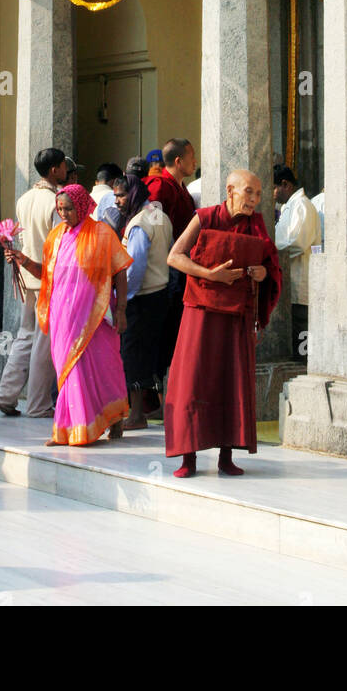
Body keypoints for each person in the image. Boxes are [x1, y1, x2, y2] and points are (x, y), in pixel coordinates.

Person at [163, 170, 281, 478]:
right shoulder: (204, 217)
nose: (254, 200)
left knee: (232, 381)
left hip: (237, 313)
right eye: (248, 193)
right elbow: (175, 257)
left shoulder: (256, 224)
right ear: (230, 191)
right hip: (200, 310)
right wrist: (209, 274)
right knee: (192, 379)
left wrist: (261, 273)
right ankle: (187, 457)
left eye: (257, 194)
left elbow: (271, 266)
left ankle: (226, 455)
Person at [7, 184, 132, 446]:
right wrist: (24, 261)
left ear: (83, 206)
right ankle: (69, 428)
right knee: (68, 371)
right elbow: (48, 275)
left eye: (69, 208)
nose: (64, 213)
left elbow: (120, 270)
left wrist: (121, 310)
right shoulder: (55, 237)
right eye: (60, 209)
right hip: (63, 317)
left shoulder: (102, 234)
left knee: (103, 368)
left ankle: (112, 417)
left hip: (95, 317)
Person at [0, 148, 66, 418]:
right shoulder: (56, 201)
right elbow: (61, 241)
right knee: (43, 342)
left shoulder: (24, 198)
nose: (65, 172)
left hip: (26, 275)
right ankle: (38, 404)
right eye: (62, 167)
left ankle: (6, 393)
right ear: (53, 170)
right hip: (48, 276)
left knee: (25, 336)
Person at [118, 189, 172, 430]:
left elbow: (135, 267)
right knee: (152, 353)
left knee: (133, 356)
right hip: (160, 292)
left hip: (140, 297)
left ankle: (137, 414)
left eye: (121, 195)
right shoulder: (159, 214)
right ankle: (158, 406)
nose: (117, 200)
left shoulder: (139, 223)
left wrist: (123, 299)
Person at [146, 137, 197, 368]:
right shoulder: (159, 187)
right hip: (164, 267)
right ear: (178, 161)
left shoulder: (181, 188)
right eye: (191, 157)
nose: (195, 162)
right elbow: (153, 229)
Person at [272, 166, 322, 308]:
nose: (273, 194)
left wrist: (270, 251)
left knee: (299, 328)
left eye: (274, 188)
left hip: (299, 286)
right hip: (290, 284)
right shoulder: (290, 206)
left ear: (285, 185)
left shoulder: (301, 205)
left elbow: (297, 243)